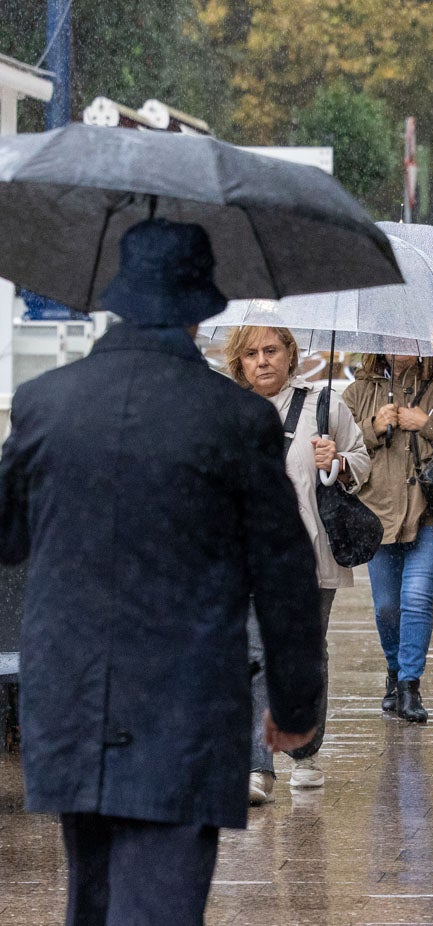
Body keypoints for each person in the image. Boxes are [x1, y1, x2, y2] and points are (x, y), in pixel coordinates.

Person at [0, 219, 323, 924]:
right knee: (160, 904)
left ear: (115, 298)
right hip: (184, 703)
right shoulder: (236, 419)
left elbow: (9, 538)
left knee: (93, 896)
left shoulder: (44, 404)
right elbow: (284, 572)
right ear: (202, 308)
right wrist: (295, 707)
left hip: (70, 698)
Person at [224, 325, 370, 802]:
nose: (262, 361)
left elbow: (362, 460)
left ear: (291, 353)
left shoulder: (325, 406)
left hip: (310, 557)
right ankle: (256, 766)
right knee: (256, 655)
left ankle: (305, 753)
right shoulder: (224, 409)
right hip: (243, 556)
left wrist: (339, 461)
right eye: (251, 353)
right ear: (239, 362)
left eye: (271, 350)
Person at [343, 354, 433, 723]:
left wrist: (429, 423)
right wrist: (373, 426)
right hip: (377, 517)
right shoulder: (358, 392)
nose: (399, 348)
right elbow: (335, 446)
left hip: (429, 515)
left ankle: (409, 685)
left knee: (417, 597)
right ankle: (394, 672)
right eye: (391, 342)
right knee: (387, 607)